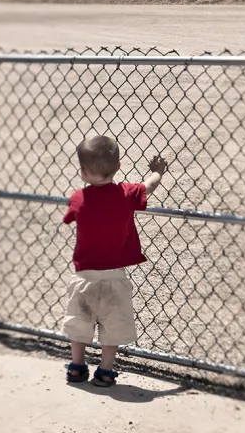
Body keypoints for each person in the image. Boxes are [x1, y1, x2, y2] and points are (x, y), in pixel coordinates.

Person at [59, 135, 169, 387]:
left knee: (79, 323)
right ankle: (105, 371)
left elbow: (68, 218)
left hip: (84, 276)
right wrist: (157, 172)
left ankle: (77, 367)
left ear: (83, 172)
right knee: (112, 326)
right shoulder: (126, 193)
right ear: (118, 167)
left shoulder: (78, 198)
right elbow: (148, 186)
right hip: (115, 277)